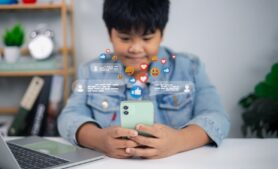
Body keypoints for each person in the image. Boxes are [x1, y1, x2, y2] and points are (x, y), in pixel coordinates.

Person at [58, 0, 230, 159]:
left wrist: (179, 140)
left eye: (147, 38)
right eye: (125, 38)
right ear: (110, 35)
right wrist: (97, 138)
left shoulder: (190, 68)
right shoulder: (91, 72)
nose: (135, 48)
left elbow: (217, 116)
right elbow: (69, 116)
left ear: (161, 34)